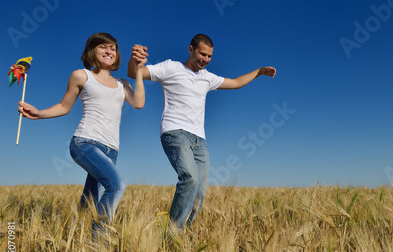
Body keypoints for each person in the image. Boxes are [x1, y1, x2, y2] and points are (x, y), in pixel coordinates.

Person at [127, 33, 276, 230]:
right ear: (191, 49)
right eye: (202, 54)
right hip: (175, 132)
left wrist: (259, 72)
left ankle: (185, 231)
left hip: (200, 140)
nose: (205, 59)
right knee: (189, 178)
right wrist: (134, 59)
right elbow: (134, 73)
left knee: (200, 191)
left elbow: (236, 83)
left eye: (209, 56)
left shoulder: (207, 78)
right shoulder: (171, 67)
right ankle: (173, 232)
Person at [18, 32, 147, 233]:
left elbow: (138, 103)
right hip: (85, 143)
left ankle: (77, 238)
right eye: (103, 47)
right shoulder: (82, 75)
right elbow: (64, 106)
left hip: (112, 149)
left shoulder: (123, 84)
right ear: (91, 51)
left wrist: (138, 69)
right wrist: (39, 114)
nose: (109, 51)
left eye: (113, 48)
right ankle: (99, 241)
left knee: (91, 199)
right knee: (117, 184)